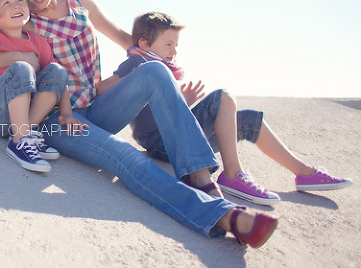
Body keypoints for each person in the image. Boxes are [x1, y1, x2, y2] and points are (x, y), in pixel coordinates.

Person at [0, 0, 278, 248]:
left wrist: (160, 66)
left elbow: (122, 38)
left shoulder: (79, 0)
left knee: (154, 70)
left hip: (100, 106)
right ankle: (221, 215)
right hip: (60, 119)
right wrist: (17, 57)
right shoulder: (24, 21)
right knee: (126, 157)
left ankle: (202, 179)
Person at [100, 11, 352, 206]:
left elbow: (165, 110)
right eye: (168, 45)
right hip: (160, 143)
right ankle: (232, 175)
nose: (174, 51)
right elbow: (105, 89)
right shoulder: (138, 62)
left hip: (173, 138)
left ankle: (304, 173)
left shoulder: (163, 69)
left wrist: (184, 102)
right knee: (223, 98)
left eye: (176, 45)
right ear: (145, 44)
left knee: (249, 120)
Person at [0, 0, 88, 173]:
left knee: (57, 70)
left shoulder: (38, 42)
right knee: (22, 67)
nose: (15, 5)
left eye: (19, 0)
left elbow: (58, 80)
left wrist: (66, 113)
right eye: (5, 3)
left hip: (24, 117)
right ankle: (19, 141)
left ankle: (25, 134)